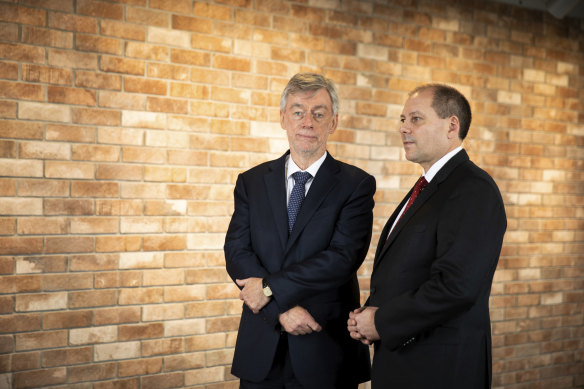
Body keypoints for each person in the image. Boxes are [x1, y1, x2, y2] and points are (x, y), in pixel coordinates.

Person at [347, 84, 507, 389]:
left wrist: (382, 322)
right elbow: (409, 271)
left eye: (416, 119)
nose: (403, 128)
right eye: (402, 119)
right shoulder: (428, 187)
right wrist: (370, 314)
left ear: (451, 126)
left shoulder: (473, 189)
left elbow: (456, 286)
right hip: (405, 362)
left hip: (439, 370)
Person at [224, 73, 374, 389]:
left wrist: (266, 290)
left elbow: (341, 259)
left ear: (333, 122)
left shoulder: (356, 185)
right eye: (298, 112)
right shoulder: (251, 182)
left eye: (318, 113)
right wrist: (280, 309)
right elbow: (237, 252)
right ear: (283, 118)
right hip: (261, 349)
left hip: (324, 347)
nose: (307, 122)